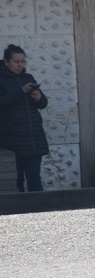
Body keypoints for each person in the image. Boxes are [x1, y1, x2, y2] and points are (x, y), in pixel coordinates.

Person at [0, 44, 49, 192]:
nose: (20, 65)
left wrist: (39, 97)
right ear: (6, 62)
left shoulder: (28, 78)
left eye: (23, 61)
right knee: (17, 181)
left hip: (34, 138)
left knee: (35, 179)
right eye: (16, 61)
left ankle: (40, 213)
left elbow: (43, 104)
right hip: (13, 139)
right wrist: (21, 92)